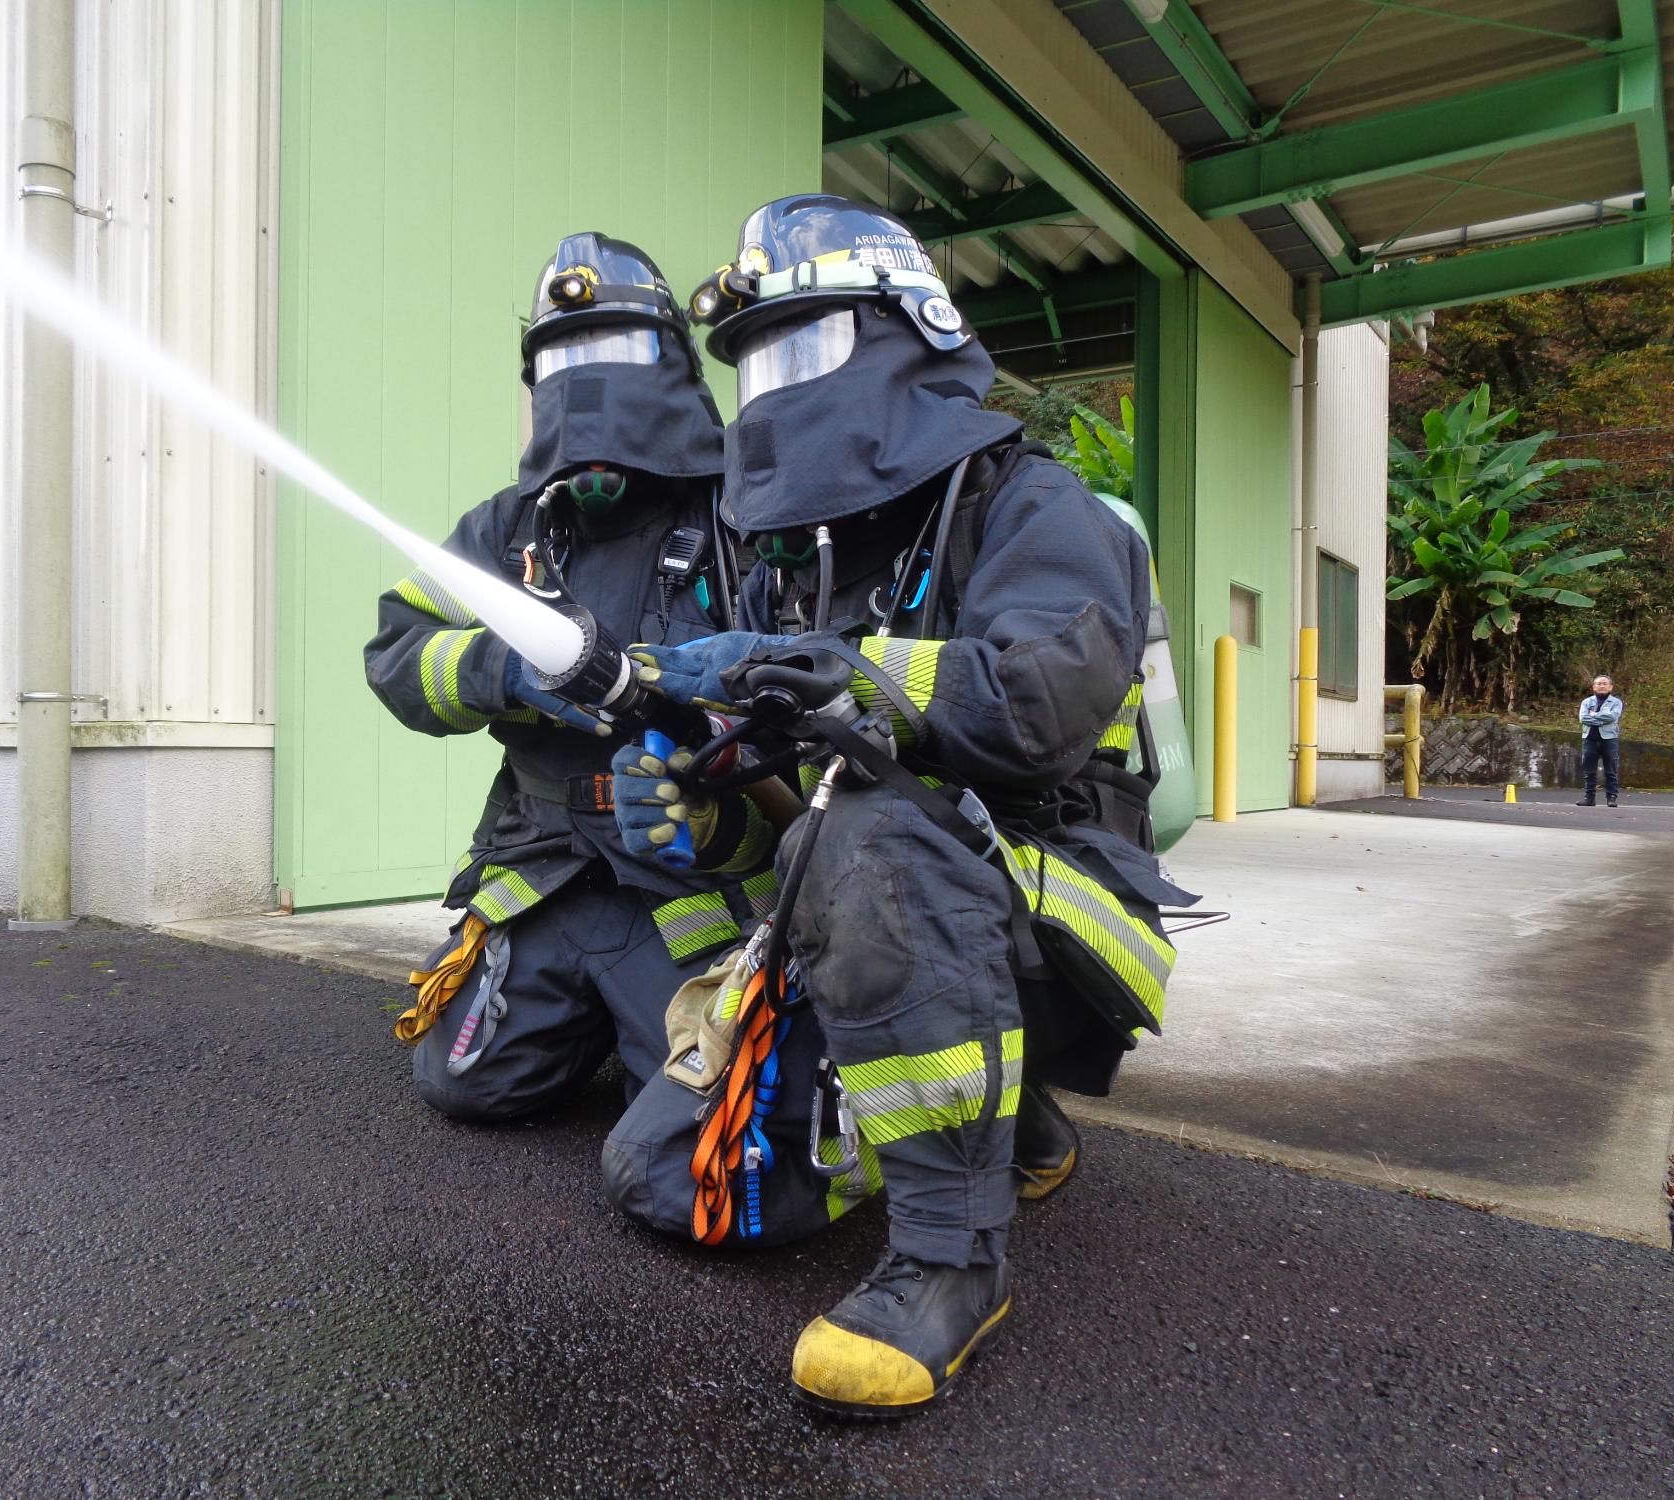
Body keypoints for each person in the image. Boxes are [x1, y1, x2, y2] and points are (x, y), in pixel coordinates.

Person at [601, 196, 1189, 1417]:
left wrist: (863, 669)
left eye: (802, 349)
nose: (775, 390)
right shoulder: (815, 552)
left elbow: (1040, 701)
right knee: (662, 1174)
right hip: (928, 894)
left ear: (910, 332)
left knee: (872, 846)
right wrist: (715, 812)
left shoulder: (1035, 506)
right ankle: (1019, 1128)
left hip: (1067, 891)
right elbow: (812, 797)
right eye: (757, 363)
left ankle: (946, 1264)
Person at [361, 232, 781, 1127]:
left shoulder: (744, 510)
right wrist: (496, 667)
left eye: (614, 350)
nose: (585, 383)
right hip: (543, 863)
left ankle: (646, 1025)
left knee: (705, 1126)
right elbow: (397, 652)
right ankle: (582, 1015)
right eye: (560, 359)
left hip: (685, 877)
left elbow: (809, 679)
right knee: (461, 1084)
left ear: (673, 363)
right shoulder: (509, 528)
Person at [1577, 674, 1623, 807]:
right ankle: (1589, 798)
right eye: (1599, 683)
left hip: (1609, 739)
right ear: (1593, 687)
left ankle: (1612, 798)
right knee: (1589, 770)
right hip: (1589, 739)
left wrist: (1594, 716)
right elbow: (1583, 719)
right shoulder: (1587, 702)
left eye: (1605, 683)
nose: (1602, 685)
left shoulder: (1616, 702)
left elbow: (1613, 717)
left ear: (1611, 687)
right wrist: (1602, 718)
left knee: (1611, 769)